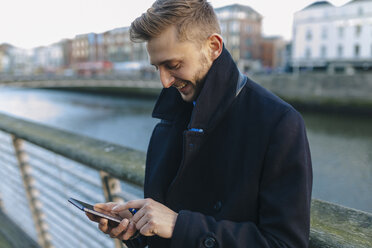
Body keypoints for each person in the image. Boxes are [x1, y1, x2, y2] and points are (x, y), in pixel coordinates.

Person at [86, 0, 313, 247]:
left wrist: (178, 225)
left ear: (213, 47)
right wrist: (136, 230)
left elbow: (285, 243)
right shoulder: (169, 119)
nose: (164, 81)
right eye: (157, 68)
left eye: (173, 65)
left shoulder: (279, 123)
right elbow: (166, 229)